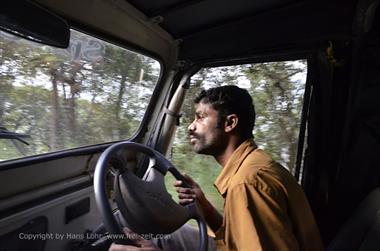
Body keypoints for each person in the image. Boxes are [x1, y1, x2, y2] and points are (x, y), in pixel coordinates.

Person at [110, 85, 324, 251]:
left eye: (201, 117)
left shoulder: (247, 183)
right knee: (163, 235)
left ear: (230, 123)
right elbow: (239, 237)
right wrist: (207, 208)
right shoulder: (253, 165)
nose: (191, 126)